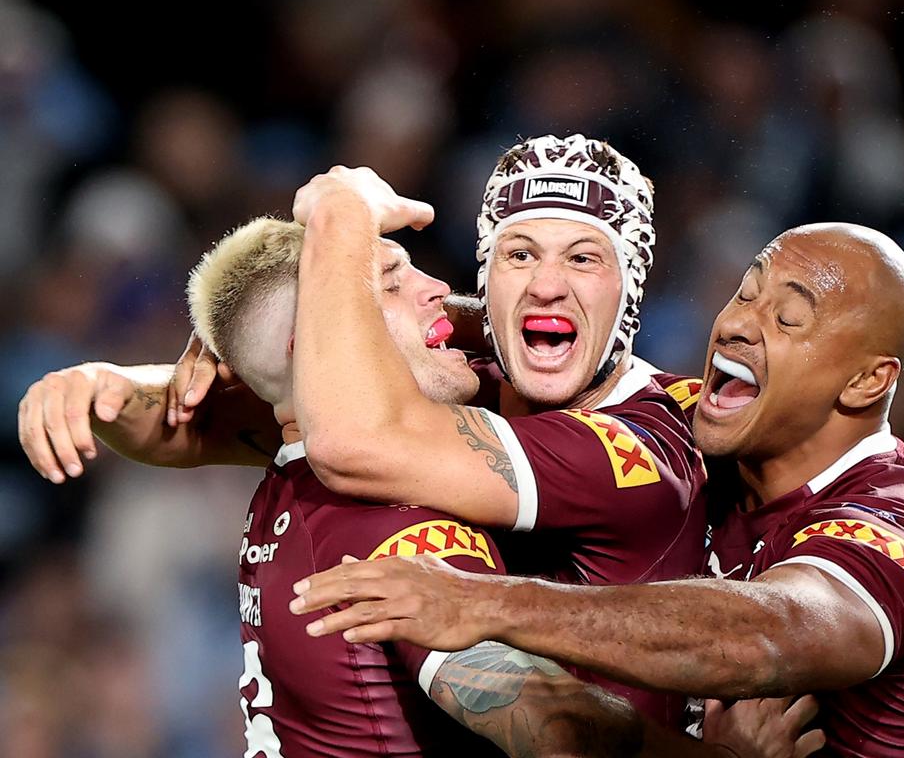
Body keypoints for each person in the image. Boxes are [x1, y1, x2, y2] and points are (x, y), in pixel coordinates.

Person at [18, 213, 821, 758]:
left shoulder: (289, 475)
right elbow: (560, 729)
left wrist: (106, 383)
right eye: (392, 280)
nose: (439, 290)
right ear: (322, 350)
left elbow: (197, 419)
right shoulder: (401, 527)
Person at [288, 223, 904, 757]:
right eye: (746, 291)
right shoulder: (699, 425)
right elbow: (519, 342)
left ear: (865, 382)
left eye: (787, 319)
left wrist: (486, 603)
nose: (737, 323)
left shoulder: (887, 534)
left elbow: (764, 634)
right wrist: (264, 333)